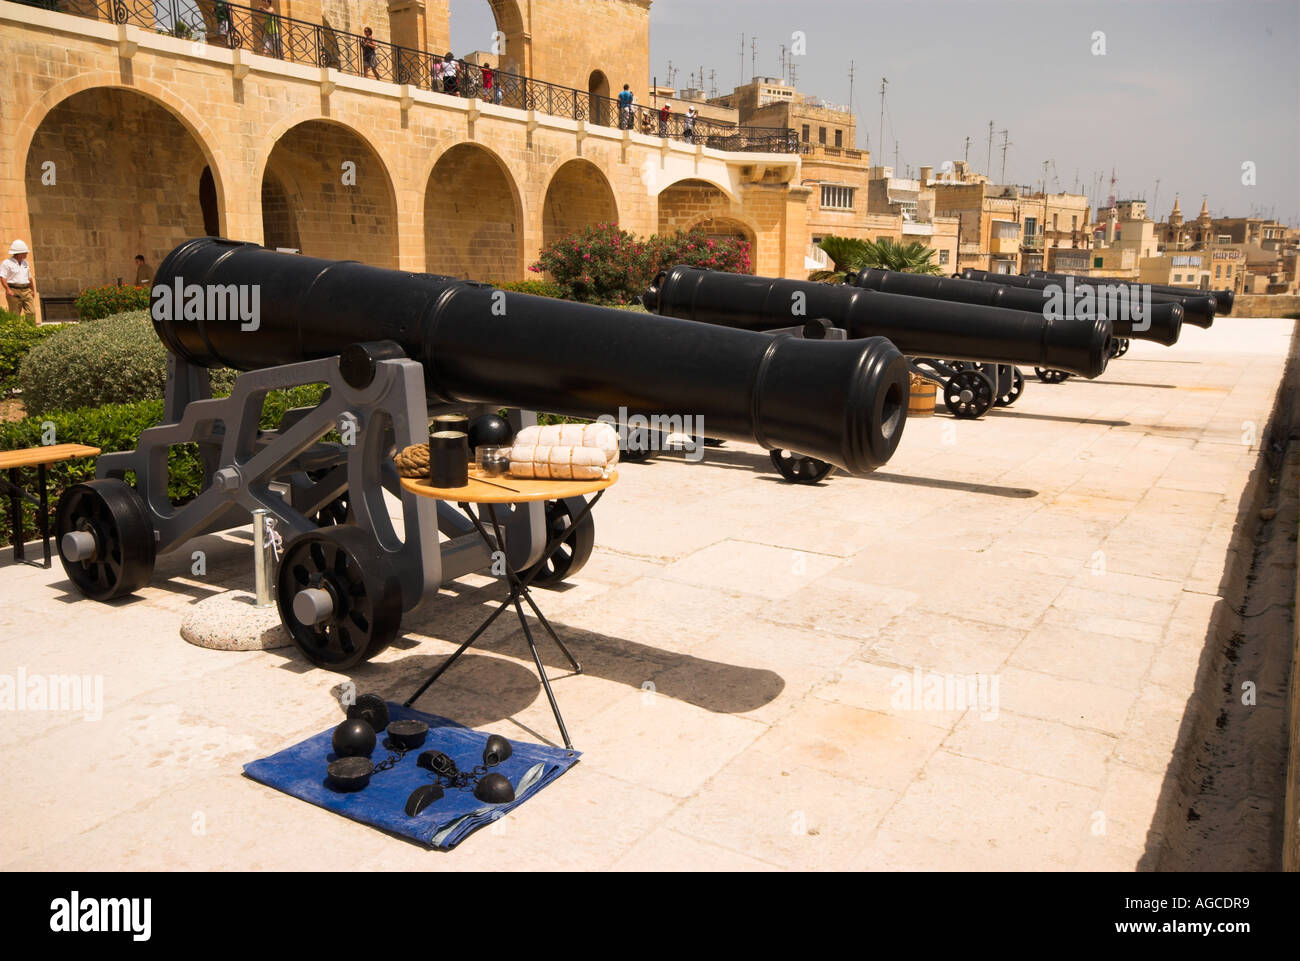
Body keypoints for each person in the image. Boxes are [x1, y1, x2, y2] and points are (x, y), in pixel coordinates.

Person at [2, 239, 38, 323]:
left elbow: (29, 278)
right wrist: (8, 290)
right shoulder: (6, 263)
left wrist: (32, 290)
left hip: (26, 290)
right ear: (19, 253)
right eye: (25, 252)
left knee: (31, 312)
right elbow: (3, 277)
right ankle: (16, 331)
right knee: (15, 314)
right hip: (13, 290)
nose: (26, 253)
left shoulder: (25, 263)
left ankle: (31, 330)